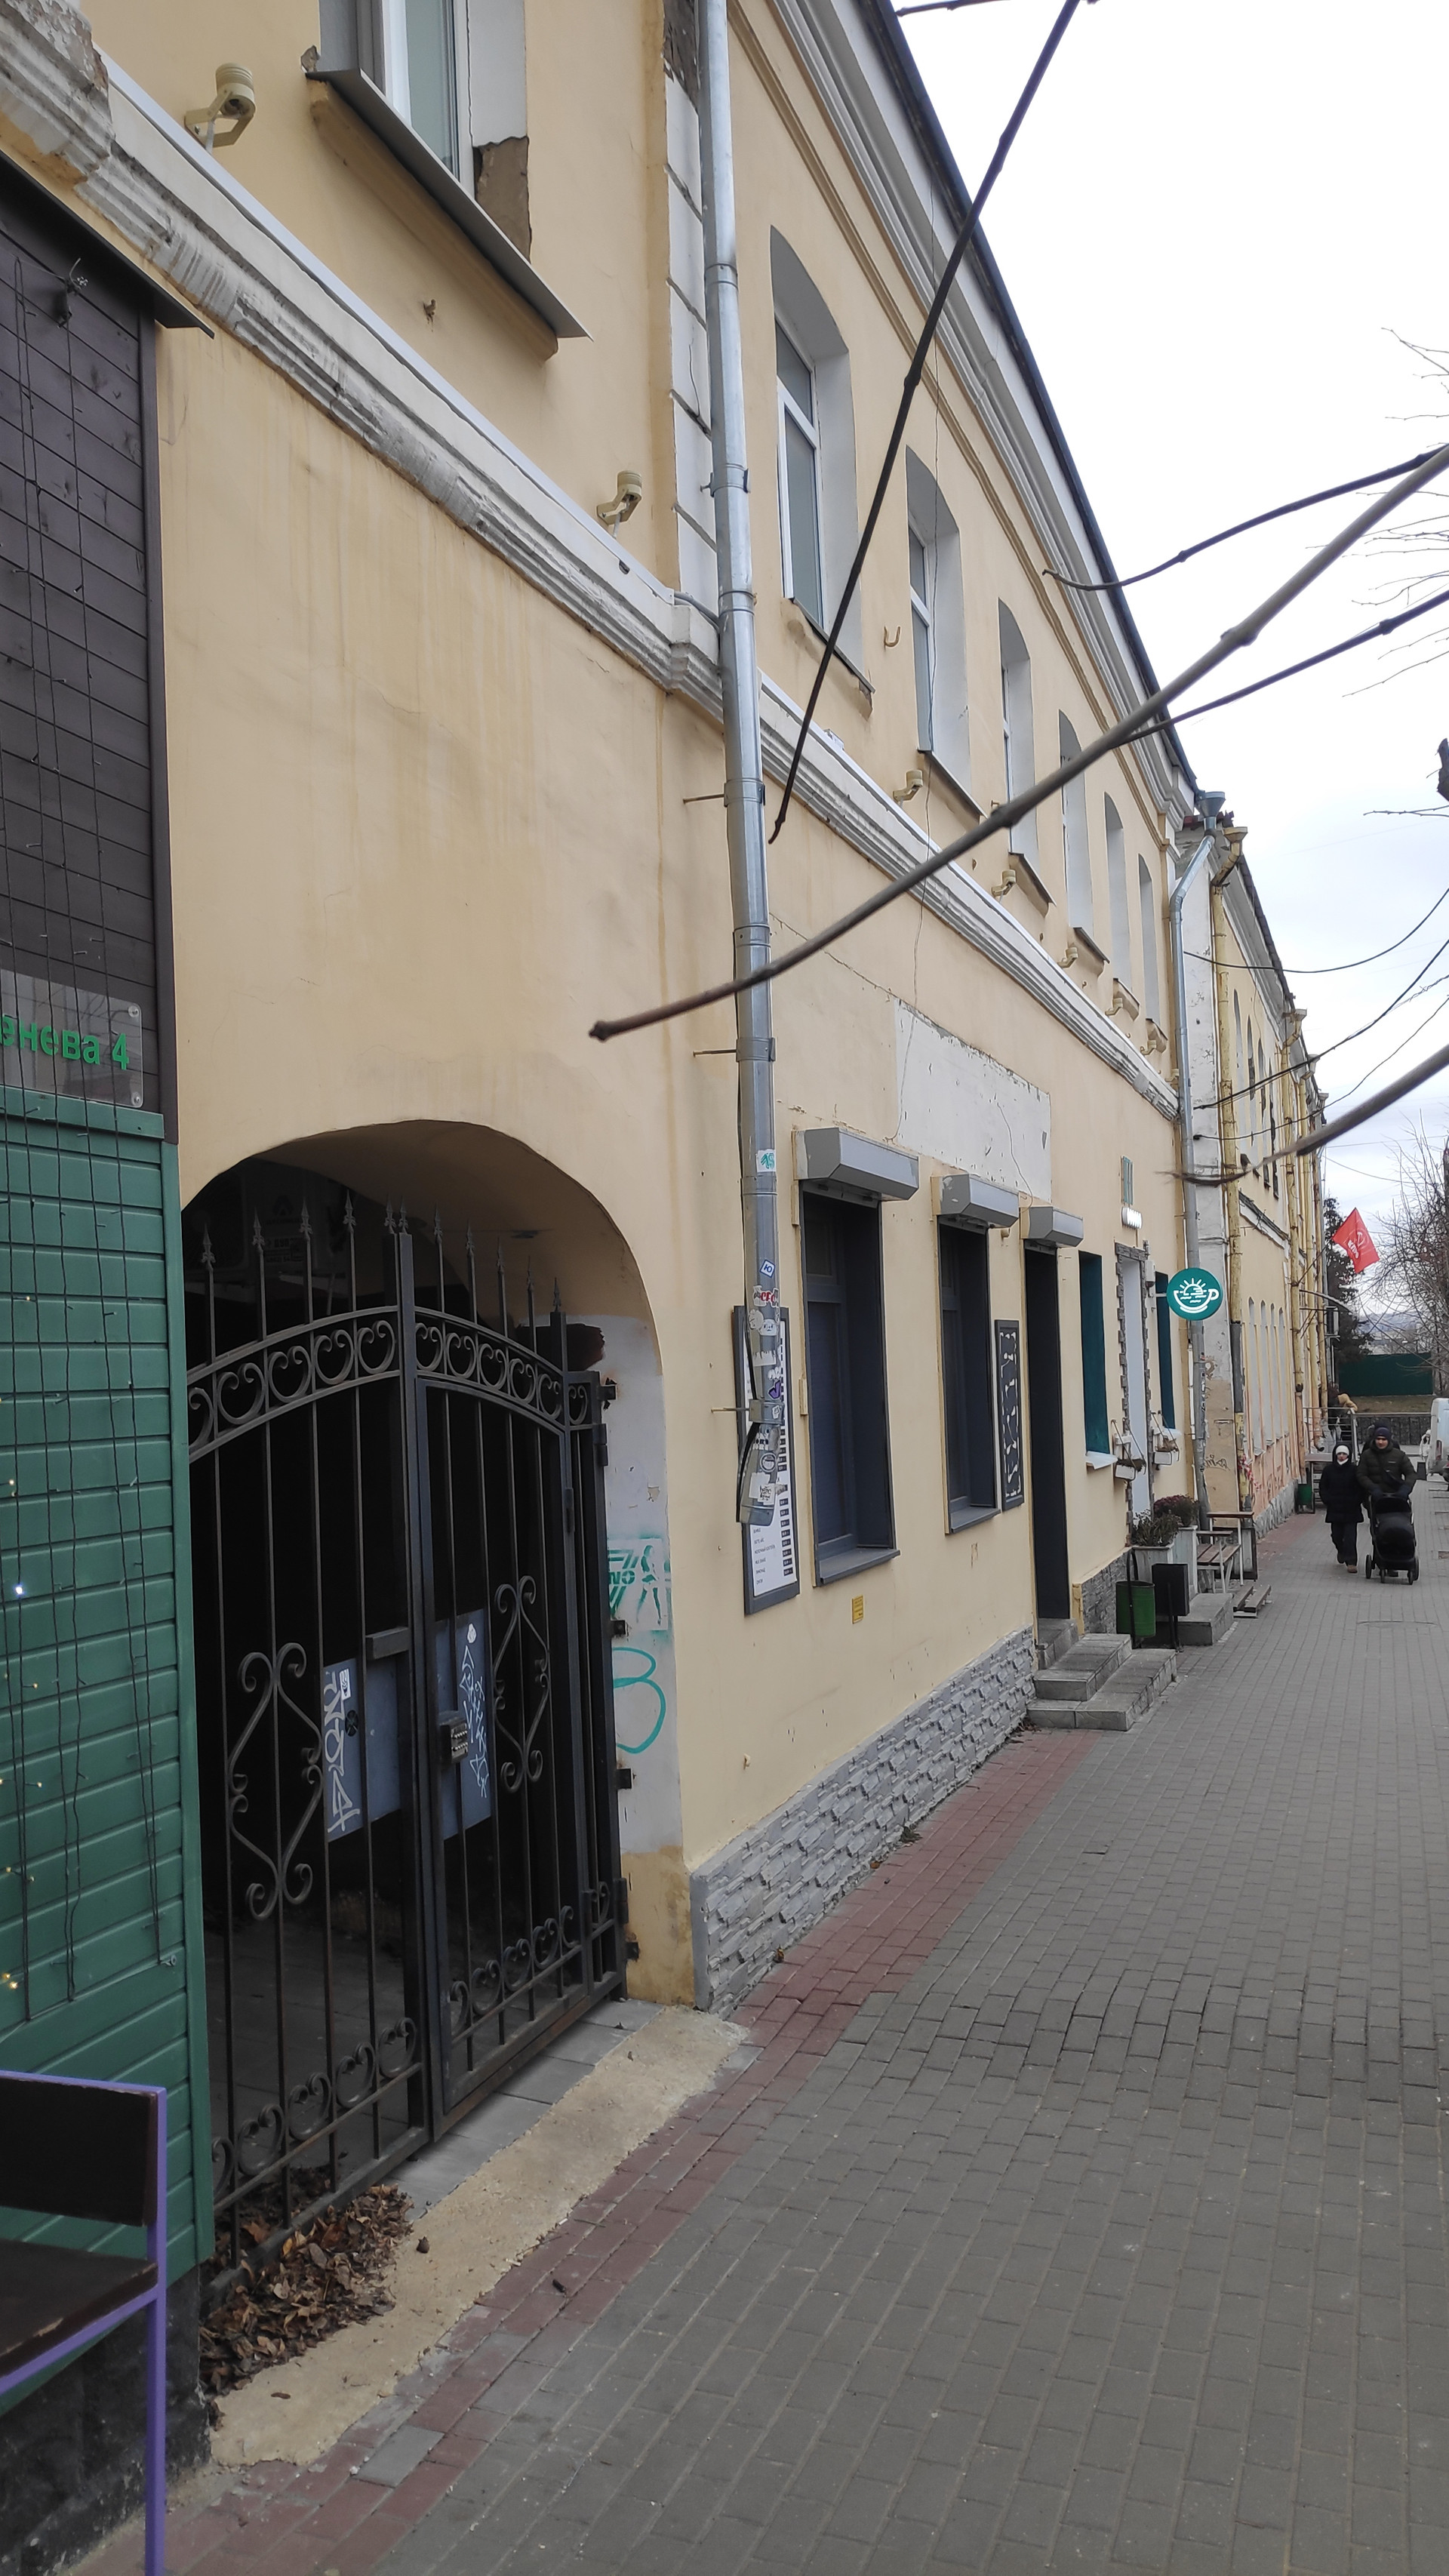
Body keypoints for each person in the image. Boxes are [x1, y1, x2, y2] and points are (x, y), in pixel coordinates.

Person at [1318, 1442, 1363, 1568]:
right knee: (1336, 1536)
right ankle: (1341, 1551)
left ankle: (1351, 1562)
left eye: (1344, 1454)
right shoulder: (1329, 1470)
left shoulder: (1354, 1470)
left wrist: (1356, 1500)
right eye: (1339, 1454)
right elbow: (1323, 1487)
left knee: (1350, 1538)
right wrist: (1327, 1500)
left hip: (1351, 1509)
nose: (1342, 1456)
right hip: (1335, 1509)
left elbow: (1360, 1488)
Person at [1356, 1421, 1415, 1506]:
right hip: (1374, 1497)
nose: (1380, 1442)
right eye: (1378, 1439)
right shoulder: (1366, 1455)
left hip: (1396, 1495)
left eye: (1384, 1439)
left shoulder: (1399, 1455)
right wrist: (1372, 1487)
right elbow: (1361, 1474)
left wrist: (1406, 1488)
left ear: (1388, 1440)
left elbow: (1411, 1473)